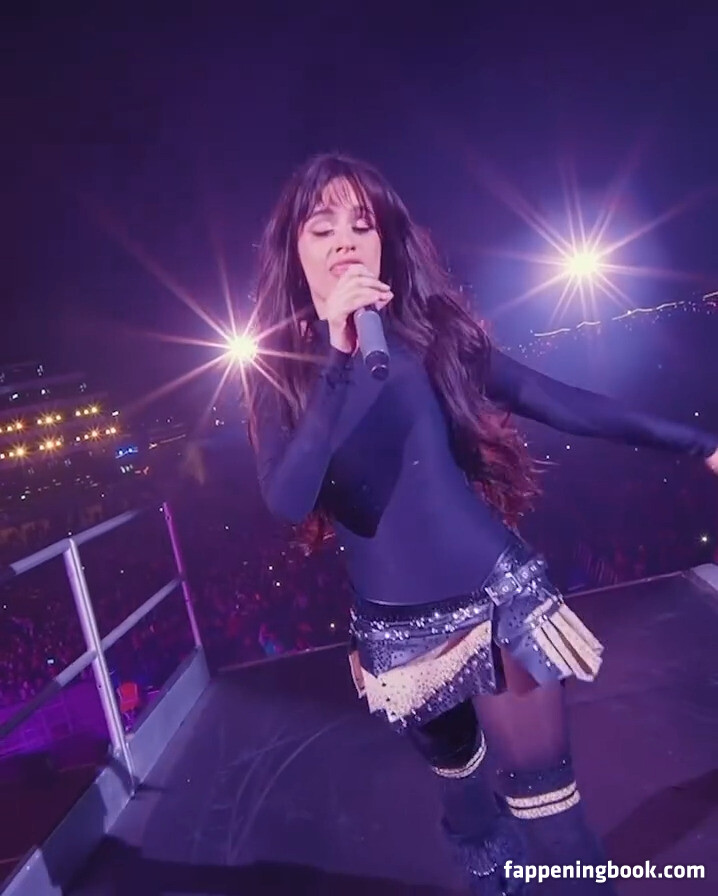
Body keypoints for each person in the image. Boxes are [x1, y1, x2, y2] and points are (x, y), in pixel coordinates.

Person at [245, 153, 718, 895]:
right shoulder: (279, 370)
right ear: (293, 249)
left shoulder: (431, 336)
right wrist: (337, 359)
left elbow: (561, 401)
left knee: (554, 820)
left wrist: (700, 442)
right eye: (322, 227)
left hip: (497, 600)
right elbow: (289, 498)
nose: (345, 242)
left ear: (385, 241)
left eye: (362, 225)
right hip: (396, 634)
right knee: (465, 802)